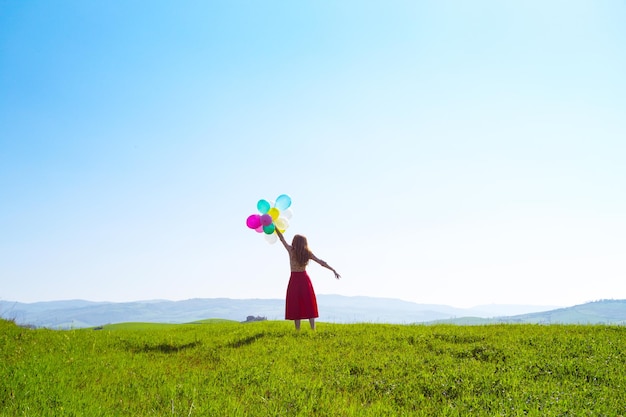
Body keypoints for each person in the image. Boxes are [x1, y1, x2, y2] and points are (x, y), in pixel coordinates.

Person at [275, 229, 340, 330]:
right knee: (308, 302)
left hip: (294, 279)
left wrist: (275, 227)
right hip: (305, 279)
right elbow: (321, 262)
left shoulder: (291, 251)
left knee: (296, 302)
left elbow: (281, 238)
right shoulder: (308, 253)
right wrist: (333, 270)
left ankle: (297, 330)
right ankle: (313, 328)